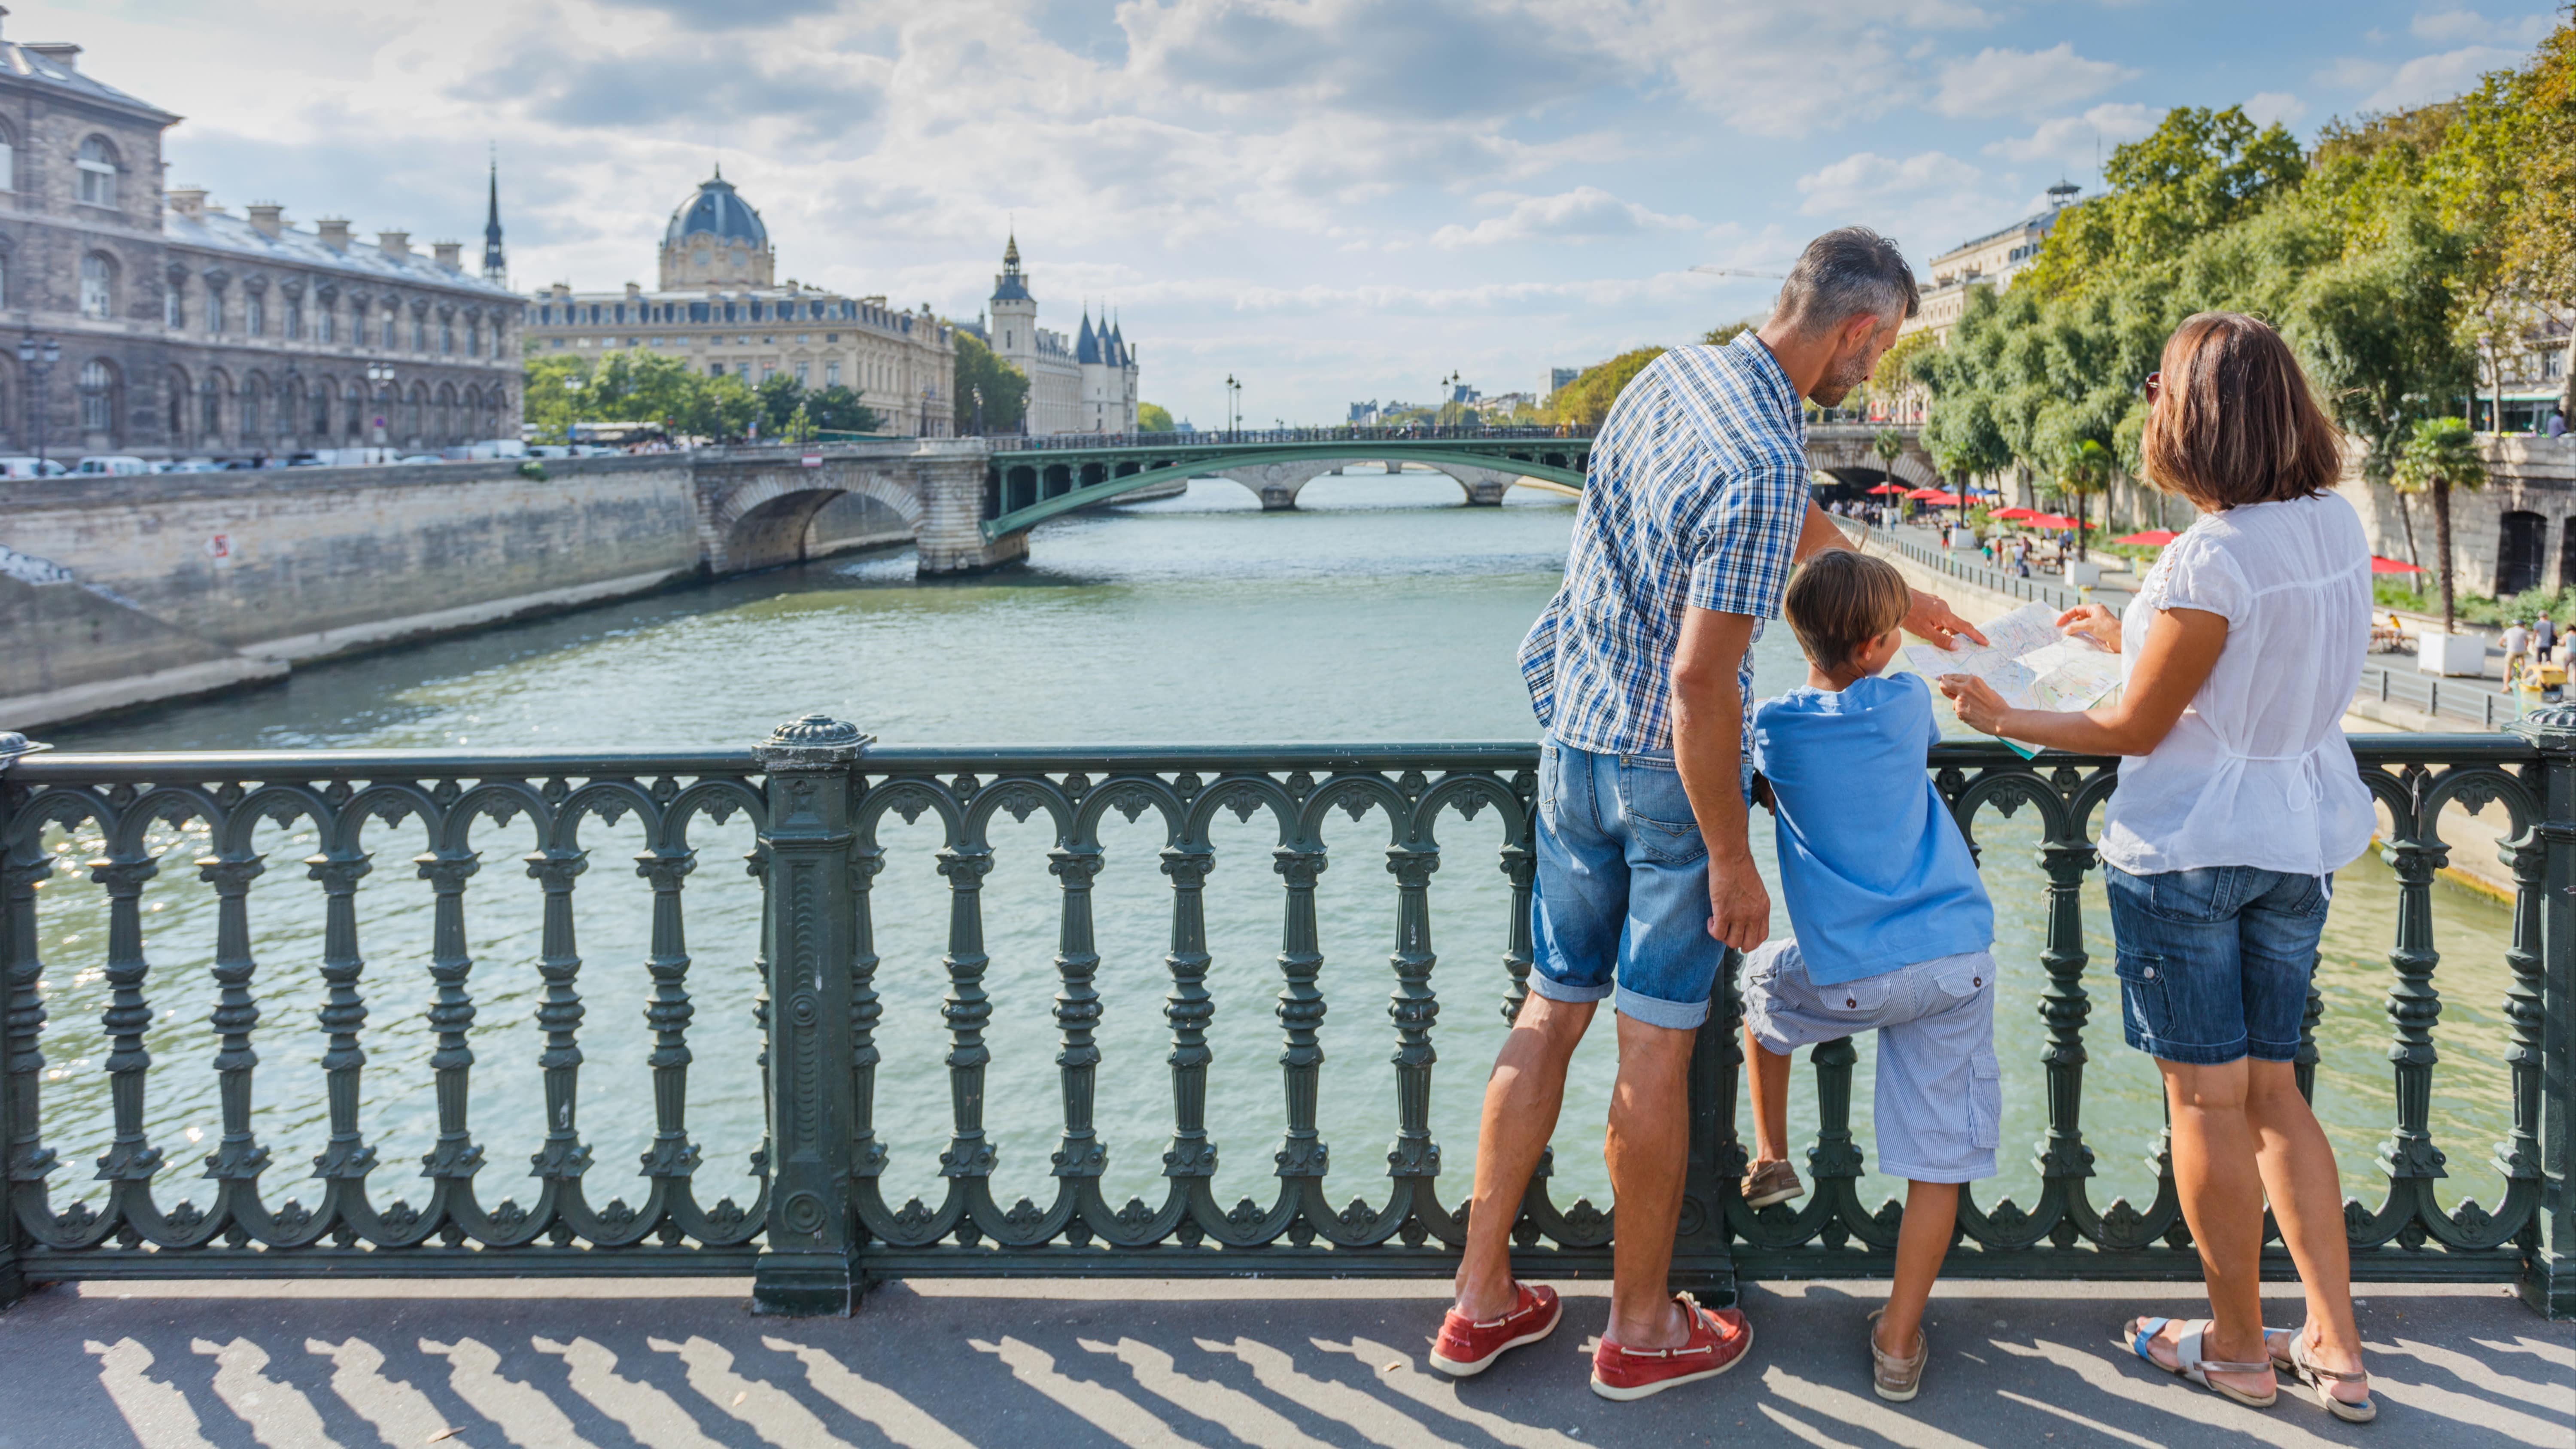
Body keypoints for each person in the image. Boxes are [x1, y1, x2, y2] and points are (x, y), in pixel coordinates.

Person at [1436, 227, 1983, 1403]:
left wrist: (1907, 595)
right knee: (1650, 1039)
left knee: (1547, 1008)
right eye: (1880, 348)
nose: (1875, 370)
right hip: (1660, 775)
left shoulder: (1668, 376)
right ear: (1854, 330)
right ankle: (1639, 1325)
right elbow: (1697, 682)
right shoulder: (1764, 462)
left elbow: (1777, 534)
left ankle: (1479, 1295)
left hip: (1569, 742)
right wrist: (1732, 858)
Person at [1938, 312, 2376, 1423]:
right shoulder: (2331, 527)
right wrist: (2119, 633)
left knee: (2202, 1101)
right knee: (2275, 1093)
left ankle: (2232, 1344)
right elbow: (2236, 667)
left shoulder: (2206, 555)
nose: (2145, 405)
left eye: (2153, 388)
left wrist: (2006, 712)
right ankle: (2334, 1341)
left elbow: (2136, 728)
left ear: (2190, 414)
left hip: (2186, 851)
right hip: (2292, 839)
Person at [1742, 550, 1998, 1404]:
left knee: (1759, 983)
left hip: (1850, 974)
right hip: (1952, 960)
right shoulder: (1902, 701)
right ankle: (1896, 1342)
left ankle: (1771, 1153)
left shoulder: (1774, 726)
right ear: (1882, 643)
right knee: (1935, 1159)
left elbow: (1764, 761)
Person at [2503, 618, 2530, 683]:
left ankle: (2506, 686)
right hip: (2521, 652)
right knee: (2522, 661)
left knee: (2508, 669)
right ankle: (2523, 672)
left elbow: (2501, 642)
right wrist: (2526, 648)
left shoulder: (2509, 631)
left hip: (2511, 652)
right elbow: (2527, 642)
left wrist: (2503, 646)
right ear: (2522, 625)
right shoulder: (2524, 631)